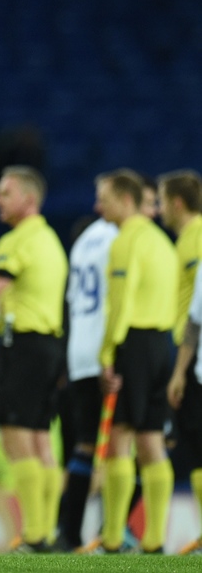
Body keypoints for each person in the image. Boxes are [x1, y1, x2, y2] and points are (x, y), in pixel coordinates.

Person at [0, 165, 68, 553]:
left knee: (15, 436)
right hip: (50, 346)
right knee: (40, 441)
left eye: (5, 193)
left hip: (23, 347)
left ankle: (33, 535)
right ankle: (47, 531)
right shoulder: (50, 241)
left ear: (28, 199)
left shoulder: (16, 241)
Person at [92, 169, 176, 554]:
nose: (98, 206)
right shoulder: (162, 241)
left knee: (120, 441)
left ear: (126, 200)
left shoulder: (125, 241)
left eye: (104, 198)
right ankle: (155, 540)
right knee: (152, 442)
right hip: (162, 344)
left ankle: (111, 539)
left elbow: (119, 305)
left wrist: (108, 354)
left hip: (135, 344)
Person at [56, 211, 119, 551]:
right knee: (134, 445)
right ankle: (115, 532)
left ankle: (67, 531)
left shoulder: (79, 254)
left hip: (77, 360)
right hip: (109, 357)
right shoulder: (121, 243)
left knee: (82, 446)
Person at [159, 169, 202, 556]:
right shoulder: (185, 241)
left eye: (160, 200)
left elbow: (197, 311)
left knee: (193, 443)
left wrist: (180, 370)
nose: (157, 209)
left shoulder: (198, 238)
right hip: (188, 355)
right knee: (191, 447)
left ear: (176, 202)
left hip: (196, 358)